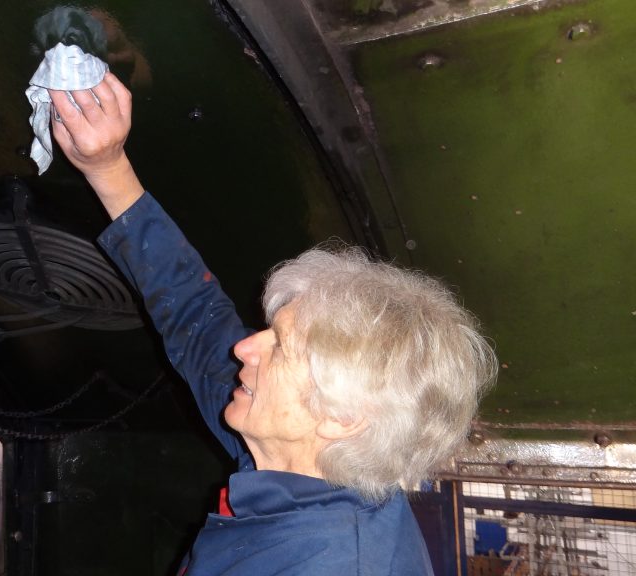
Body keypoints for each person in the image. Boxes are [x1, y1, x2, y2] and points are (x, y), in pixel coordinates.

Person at [49, 73, 496, 575]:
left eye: (279, 347)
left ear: (342, 416)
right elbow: (197, 316)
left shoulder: (326, 564)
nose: (244, 350)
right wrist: (108, 167)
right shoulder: (310, 465)